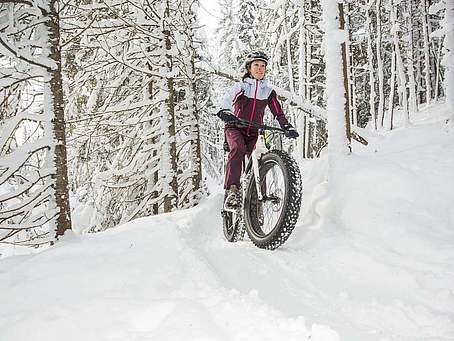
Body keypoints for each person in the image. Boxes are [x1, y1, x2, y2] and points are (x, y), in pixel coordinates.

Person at [216, 51, 299, 208]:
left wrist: (286, 126)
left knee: (260, 159)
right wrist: (225, 112)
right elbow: (227, 99)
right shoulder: (241, 87)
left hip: (255, 132)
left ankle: (257, 201)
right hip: (235, 128)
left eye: (263, 66)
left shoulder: (268, 92)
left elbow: (277, 112)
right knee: (238, 148)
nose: (260, 69)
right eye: (256, 65)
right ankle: (233, 190)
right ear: (249, 68)